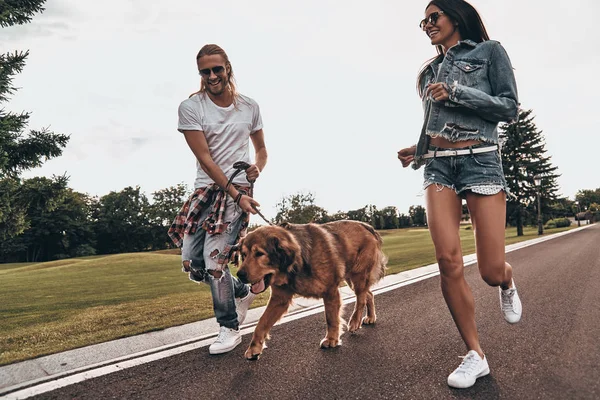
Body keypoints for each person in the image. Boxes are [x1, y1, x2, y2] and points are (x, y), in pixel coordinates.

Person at [397, 0, 522, 389]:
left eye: (434, 17)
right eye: (424, 21)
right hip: (438, 167)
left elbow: (509, 108)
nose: (428, 25)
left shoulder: (489, 52)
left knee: (488, 270)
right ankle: (475, 354)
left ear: (457, 16)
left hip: (481, 161)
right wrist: (417, 152)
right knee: (448, 260)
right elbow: (433, 122)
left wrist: (456, 93)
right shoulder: (429, 71)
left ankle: (506, 280)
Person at [168, 44, 267, 355]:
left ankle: (229, 327)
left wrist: (256, 170)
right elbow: (206, 159)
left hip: (238, 187)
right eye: (205, 71)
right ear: (200, 74)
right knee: (192, 262)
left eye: (217, 69)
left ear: (228, 69)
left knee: (215, 261)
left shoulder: (249, 106)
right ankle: (240, 292)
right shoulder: (191, 107)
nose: (211, 76)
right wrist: (235, 194)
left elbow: (262, 151)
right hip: (208, 188)